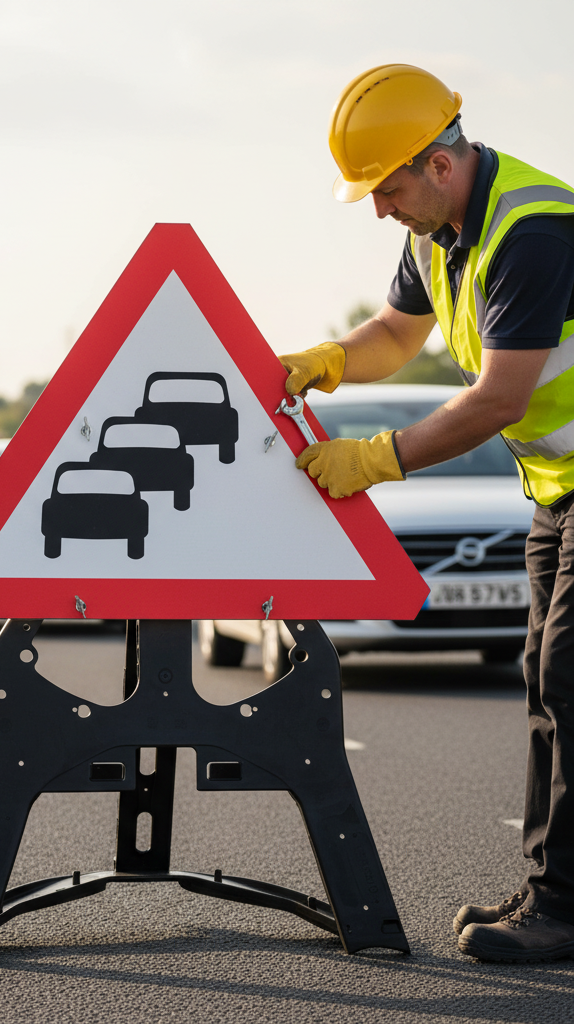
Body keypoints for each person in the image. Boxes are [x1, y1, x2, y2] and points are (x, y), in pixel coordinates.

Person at [280, 64, 574, 963]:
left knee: (568, 679)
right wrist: (327, 358)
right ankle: (551, 891)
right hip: (558, 490)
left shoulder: (531, 228)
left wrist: (376, 459)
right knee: (544, 681)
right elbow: (397, 336)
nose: (379, 210)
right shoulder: (441, 228)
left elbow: (496, 399)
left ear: (440, 164)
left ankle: (564, 909)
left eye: (388, 189)